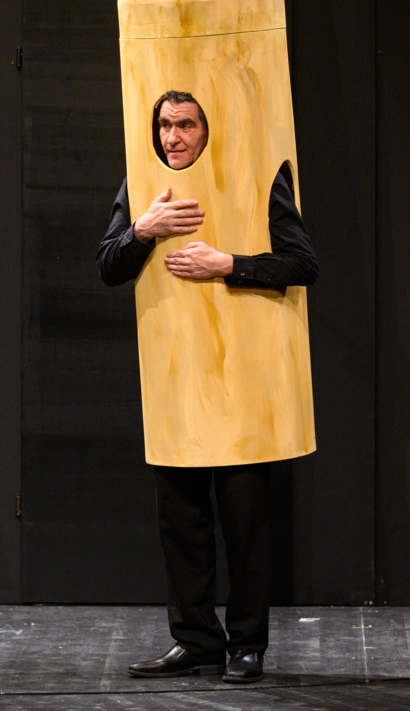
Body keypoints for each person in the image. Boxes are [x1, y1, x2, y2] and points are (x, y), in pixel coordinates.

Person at [96, 89, 317, 684]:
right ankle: (196, 640)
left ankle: (247, 645)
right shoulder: (140, 184)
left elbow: (303, 264)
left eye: (186, 125)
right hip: (176, 379)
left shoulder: (253, 178)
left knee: (245, 523)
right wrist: (143, 230)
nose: (173, 137)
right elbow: (108, 267)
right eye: (165, 125)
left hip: (242, 379)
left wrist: (229, 265)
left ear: (206, 130)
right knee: (181, 522)